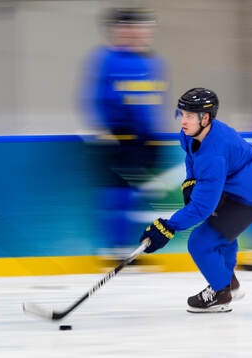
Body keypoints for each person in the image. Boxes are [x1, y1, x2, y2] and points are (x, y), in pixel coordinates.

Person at [138, 88, 252, 312]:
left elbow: (202, 207)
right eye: (181, 114)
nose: (183, 121)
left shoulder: (214, 156)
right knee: (218, 229)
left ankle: (221, 293)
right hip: (242, 177)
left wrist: (168, 226)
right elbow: (191, 156)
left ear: (206, 118)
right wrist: (190, 182)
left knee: (201, 241)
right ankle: (228, 281)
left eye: (189, 116)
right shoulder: (192, 133)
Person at [79, 8, 168, 261]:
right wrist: (108, 130)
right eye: (129, 27)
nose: (137, 33)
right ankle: (116, 246)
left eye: (142, 27)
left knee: (137, 194)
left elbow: (153, 102)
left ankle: (132, 246)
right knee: (118, 192)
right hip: (119, 140)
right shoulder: (106, 59)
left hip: (144, 141)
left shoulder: (151, 62)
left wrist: (153, 136)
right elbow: (97, 99)